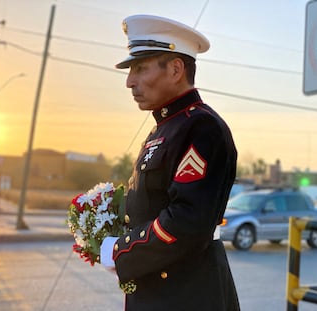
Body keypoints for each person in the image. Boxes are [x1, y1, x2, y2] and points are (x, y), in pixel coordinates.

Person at [100, 14, 240, 311]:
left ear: (176, 69)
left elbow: (187, 220)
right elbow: (152, 201)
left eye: (139, 68)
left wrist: (121, 251)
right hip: (159, 292)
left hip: (187, 295)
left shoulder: (201, 128)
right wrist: (103, 216)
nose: (129, 82)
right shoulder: (164, 128)